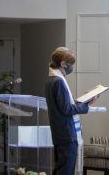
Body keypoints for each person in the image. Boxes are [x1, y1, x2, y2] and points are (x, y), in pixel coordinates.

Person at [45, 47, 98, 175]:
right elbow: (67, 109)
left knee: (61, 169)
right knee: (66, 171)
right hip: (66, 134)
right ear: (63, 64)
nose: (71, 68)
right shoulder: (58, 81)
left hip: (59, 133)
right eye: (70, 65)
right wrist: (86, 106)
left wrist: (85, 101)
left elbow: (64, 105)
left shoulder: (51, 80)